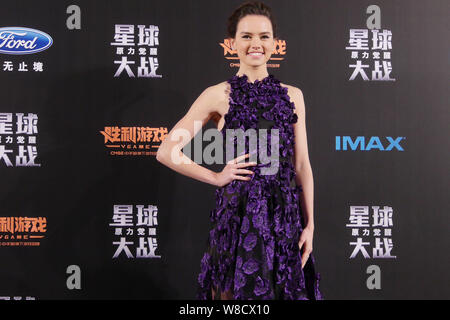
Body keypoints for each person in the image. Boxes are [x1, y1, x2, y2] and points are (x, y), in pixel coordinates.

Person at [156, 1, 323, 300]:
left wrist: (309, 225)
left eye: (264, 36)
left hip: (284, 217)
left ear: (275, 42)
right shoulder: (218, 95)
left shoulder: (294, 96)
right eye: (246, 36)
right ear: (232, 43)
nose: (256, 44)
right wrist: (216, 176)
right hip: (238, 214)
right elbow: (167, 150)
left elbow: (301, 165)